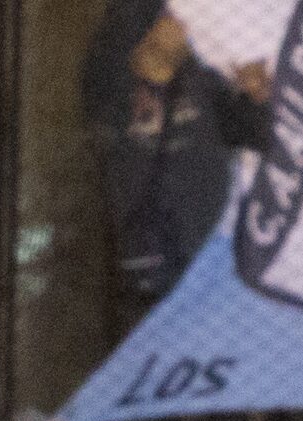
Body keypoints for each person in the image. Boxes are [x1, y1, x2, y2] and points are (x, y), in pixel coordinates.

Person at [82, 2, 272, 325]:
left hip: (213, 252)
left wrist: (258, 97)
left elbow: (246, 131)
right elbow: (99, 113)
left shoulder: (206, 35)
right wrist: (149, 75)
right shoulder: (123, 28)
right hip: (150, 262)